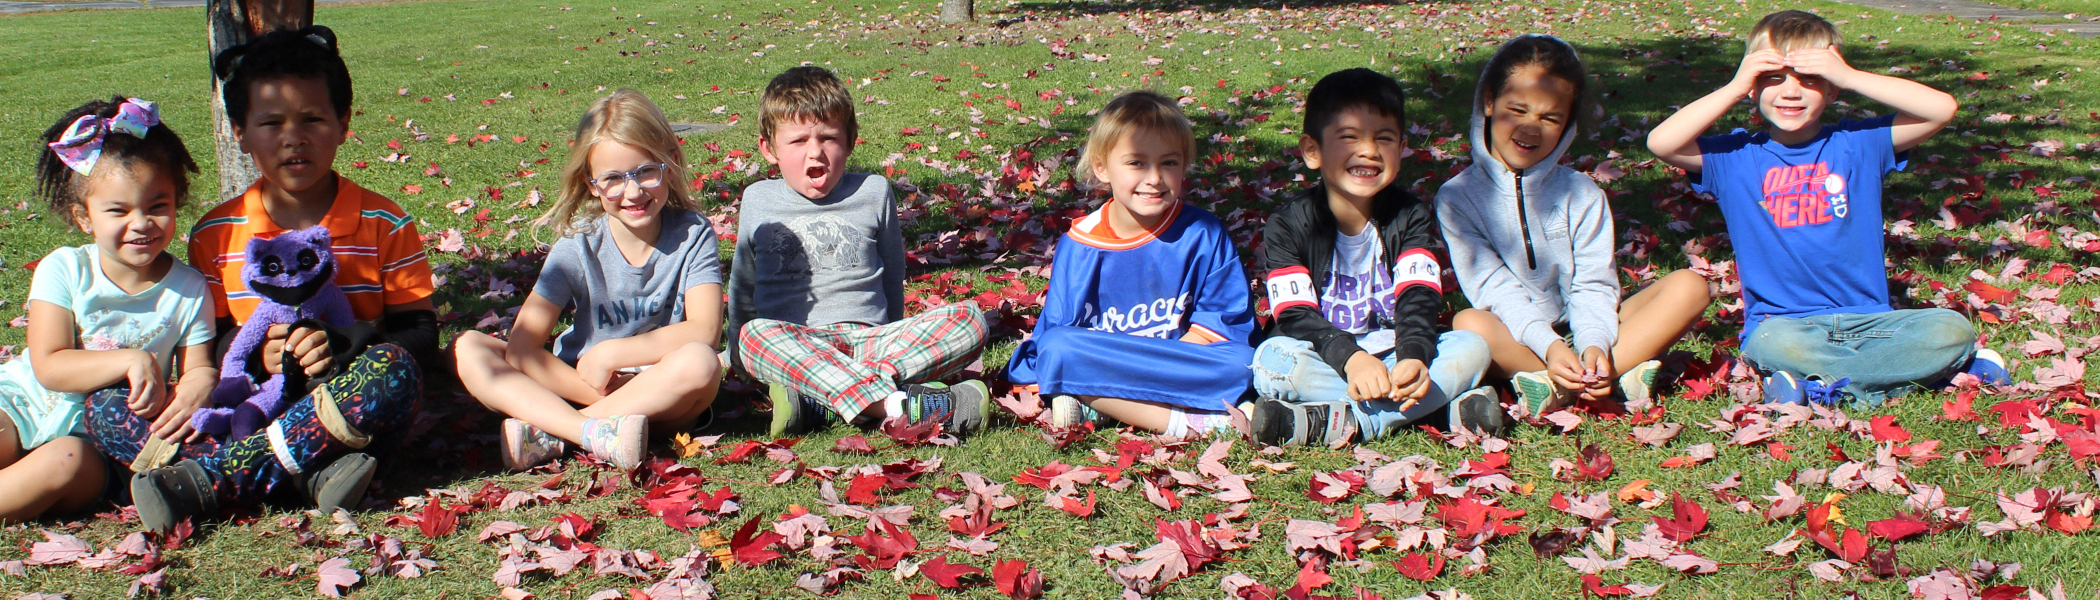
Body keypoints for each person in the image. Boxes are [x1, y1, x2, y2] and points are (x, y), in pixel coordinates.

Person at [120, 26, 434, 532]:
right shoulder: (217, 234)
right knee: (110, 404)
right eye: (270, 122)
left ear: (343, 123)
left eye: (313, 119)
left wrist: (342, 344)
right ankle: (309, 476)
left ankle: (215, 479)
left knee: (395, 370)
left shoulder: (385, 223)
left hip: (349, 408)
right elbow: (214, 340)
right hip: (258, 408)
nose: (294, 137)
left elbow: (419, 334)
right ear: (239, 132)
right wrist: (251, 355)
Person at [1645, 11, 2003, 407]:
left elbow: (1941, 109)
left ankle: (1821, 387)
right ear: (1752, 87)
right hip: (1783, 326)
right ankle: (1928, 375)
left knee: (1951, 329)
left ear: (1832, 91)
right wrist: (1734, 86)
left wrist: (1848, 75)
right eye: (1773, 78)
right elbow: (1661, 143)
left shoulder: (1858, 144)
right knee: (1772, 345)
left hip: (1871, 321)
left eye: (1810, 78)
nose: (1791, 91)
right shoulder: (1735, 157)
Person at [1440, 35, 1711, 416]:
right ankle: (1610, 378)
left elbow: (1593, 283)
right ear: (1489, 101)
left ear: (1568, 123)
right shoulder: (1457, 198)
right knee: (1470, 323)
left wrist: (1594, 344)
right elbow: (1493, 289)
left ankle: (1570, 383)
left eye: (1550, 118)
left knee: (1690, 286)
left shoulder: (1582, 192)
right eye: (1517, 110)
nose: (1531, 128)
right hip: (1520, 339)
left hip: (1597, 330)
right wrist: (1550, 347)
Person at [454, 89, 724, 471]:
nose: (633, 191)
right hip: (580, 387)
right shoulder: (578, 243)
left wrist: (611, 354)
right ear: (592, 183)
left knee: (701, 362)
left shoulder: (693, 234)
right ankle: (590, 431)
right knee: (469, 347)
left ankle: (556, 432)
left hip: (663, 395)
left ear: (671, 162)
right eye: (613, 178)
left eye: (646, 171)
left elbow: (705, 330)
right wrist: (596, 388)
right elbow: (522, 347)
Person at [727, 66, 990, 437]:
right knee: (753, 336)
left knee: (970, 319)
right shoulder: (759, 200)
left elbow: (893, 277)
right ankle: (898, 404)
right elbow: (743, 285)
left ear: (850, 142)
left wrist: (893, 337)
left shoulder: (873, 191)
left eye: (829, 138)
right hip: (797, 344)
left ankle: (820, 403)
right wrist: (741, 363)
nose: (815, 153)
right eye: (798, 141)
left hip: (872, 343)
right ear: (769, 149)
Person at [1247, 69, 1497, 447]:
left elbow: (1418, 294)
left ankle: (1343, 422)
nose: (1368, 150)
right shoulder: (1288, 224)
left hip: (1395, 356)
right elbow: (1295, 314)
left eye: (1384, 138)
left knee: (1473, 347)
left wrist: (1413, 356)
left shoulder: (1409, 215)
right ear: (1312, 151)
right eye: (1349, 137)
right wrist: (1353, 360)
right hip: (1325, 357)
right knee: (1272, 362)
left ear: (1402, 148)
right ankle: (1434, 411)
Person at [0, 97, 214, 521]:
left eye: (157, 206)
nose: (141, 223)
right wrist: (131, 359)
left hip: (97, 443)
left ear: (178, 200)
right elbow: (49, 365)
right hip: (24, 402)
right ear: (84, 217)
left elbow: (199, 367)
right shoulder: (64, 269)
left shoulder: (189, 290)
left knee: (65, 462)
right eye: (118, 210)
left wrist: (199, 385)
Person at [1007, 90, 1256, 438]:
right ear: (1102, 167)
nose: (1154, 178)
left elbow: (1222, 321)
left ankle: (1101, 403)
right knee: (1058, 349)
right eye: (1137, 163)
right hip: (1114, 361)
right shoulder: (1080, 244)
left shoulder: (1204, 233)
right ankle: (1189, 420)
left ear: (1185, 165)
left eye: (1169, 163)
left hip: (1182, 361)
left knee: (1243, 364)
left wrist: (1154, 366)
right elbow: (1061, 331)